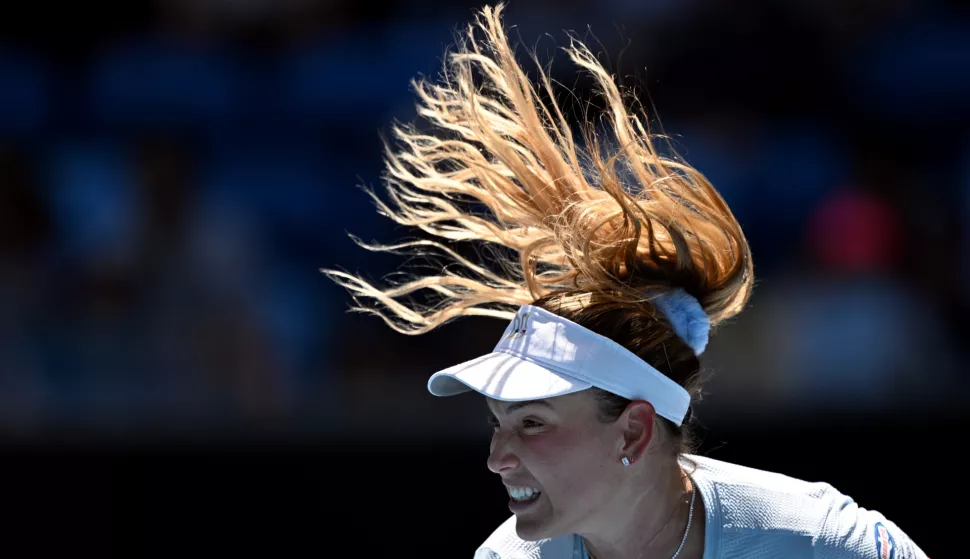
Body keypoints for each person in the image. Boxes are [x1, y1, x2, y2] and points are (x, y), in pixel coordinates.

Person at [323, 4, 929, 558]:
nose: (497, 458)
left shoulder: (825, 544)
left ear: (634, 432)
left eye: (532, 423)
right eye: (498, 423)